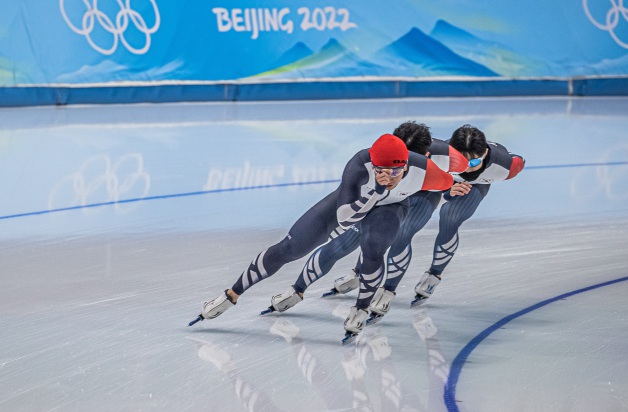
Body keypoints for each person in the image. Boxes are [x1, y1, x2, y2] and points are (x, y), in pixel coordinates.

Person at [189, 127, 469, 343]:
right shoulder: (359, 165)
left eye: (396, 171)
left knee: (373, 248)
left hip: (390, 209)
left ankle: (360, 308)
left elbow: (447, 183)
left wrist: (449, 190)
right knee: (290, 248)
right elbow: (346, 217)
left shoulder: (424, 170)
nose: (389, 176)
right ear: (373, 164)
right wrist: (378, 191)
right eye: (382, 171)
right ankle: (230, 295)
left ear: (406, 164)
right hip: (353, 205)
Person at [273, 124, 525, 322]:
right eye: (464, 160)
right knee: (351, 236)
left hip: (450, 189)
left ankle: (415, 281)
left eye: (475, 162)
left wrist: (453, 191)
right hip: (418, 184)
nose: (468, 166)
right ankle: (307, 286)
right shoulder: (440, 156)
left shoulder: (506, 167)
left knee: (442, 220)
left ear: (486, 155)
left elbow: (453, 186)